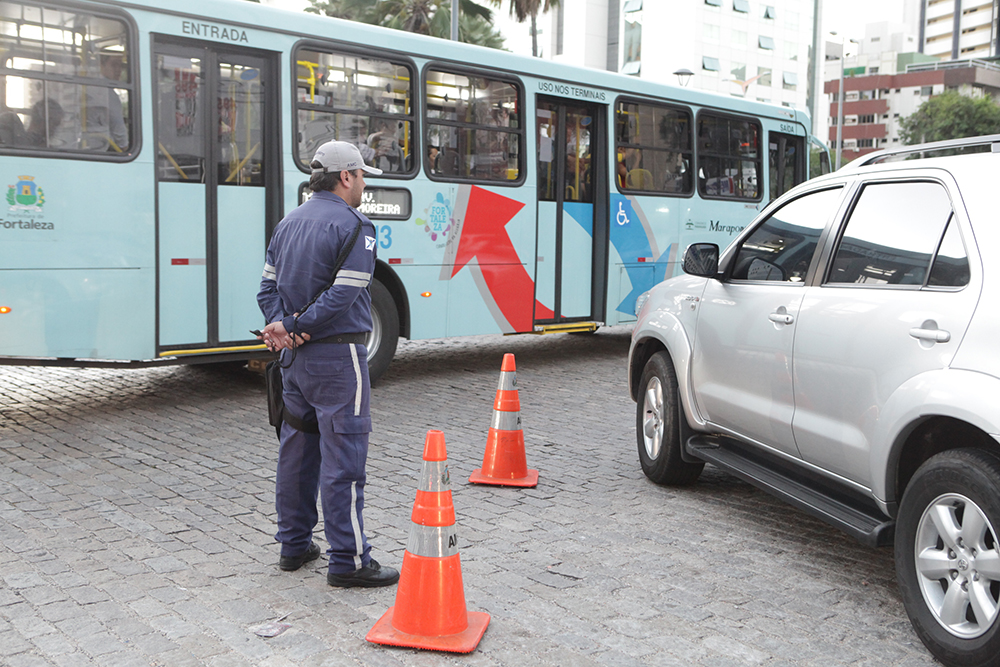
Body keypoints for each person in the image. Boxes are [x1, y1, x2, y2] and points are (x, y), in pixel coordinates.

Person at [256, 140, 399, 588]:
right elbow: (347, 293)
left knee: (295, 455)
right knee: (344, 459)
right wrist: (298, 324)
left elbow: (266, 290)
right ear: (345, 177)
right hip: (338, 359)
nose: (362, 186)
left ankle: (294, 545)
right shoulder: (358, 225)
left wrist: (282, 327)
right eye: (361, 177)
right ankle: (349, 561)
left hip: (293, 362)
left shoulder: (287, 224)